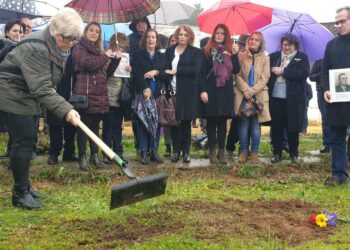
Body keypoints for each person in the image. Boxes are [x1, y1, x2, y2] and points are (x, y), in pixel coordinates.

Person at [0, 7, 83, 209]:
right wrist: (67, 109)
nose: (72, 44)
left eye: (75, 39)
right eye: (69, 38)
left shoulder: (51, 43)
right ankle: (20, 194)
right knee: (23, 142)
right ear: (56, 32)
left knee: (30, 140)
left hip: (26, 95)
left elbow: (44, 82)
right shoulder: (37, 47)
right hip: (13, 94)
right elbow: (41, 88)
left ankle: (25, 187)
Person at [72, 22, 115, 171]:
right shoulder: (78, 47)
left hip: (99, 93)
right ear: (85, 31)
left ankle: (94, 155)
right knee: (84, 127)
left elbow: (105, 72)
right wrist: (105, 56)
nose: (94, 33)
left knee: (95, 127)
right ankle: (82, 157)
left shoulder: (98, 50)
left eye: (97, 31)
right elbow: (88, 64)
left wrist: (115, 60)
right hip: (85, 93)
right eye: (91, 30)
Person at [200, 24, 240, 164]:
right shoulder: (207, 50)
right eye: (217, 33)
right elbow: (202, 73)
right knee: (211, 121)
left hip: (225, 91)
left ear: (226, 36)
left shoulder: (230, 51)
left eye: (222, 33)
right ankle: (212, 151)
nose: (219, 35)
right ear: (214, 34)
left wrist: (235, 55)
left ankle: (221, 152)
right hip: (211, 89)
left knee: (223, 122)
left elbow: (236, 71)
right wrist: (203, 90)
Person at [268, 34, 310, 164]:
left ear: (295, 46)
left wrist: (284, 71)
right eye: (284, 44)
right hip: (275, 98)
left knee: (293, 127)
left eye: (290, 45)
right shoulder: (274, 56)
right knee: (276, 127)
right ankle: (277, 153)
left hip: (293, 99)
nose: (286, 47)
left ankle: (294, 153)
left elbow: (302, 74)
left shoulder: (302, 57)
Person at [322, 6, 350, 186]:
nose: (338, 25)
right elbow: (325, 70)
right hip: (337, 99)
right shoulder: (331, 45)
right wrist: (325, 88)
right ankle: (339, 174)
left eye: (342, 21)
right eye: (337, 21)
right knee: (336, 137)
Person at [165, 25, 202, 163]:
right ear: (176, 35)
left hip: (187, 91)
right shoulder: (169, 51)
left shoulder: (195, 52)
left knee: (186, 122)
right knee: (174, 123)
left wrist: (177, 71)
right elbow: (164, 67)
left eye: (185, 35)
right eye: (180, 34)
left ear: (189, 37)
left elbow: (196, 69)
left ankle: (186, 152)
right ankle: (176, 151)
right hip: (172, 91)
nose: (182, 37)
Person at [132, 28, 167, 165]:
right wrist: (144, 89)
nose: (151, 39)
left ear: (157, 40)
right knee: (143, 123)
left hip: (157, 94)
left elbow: (166, 75)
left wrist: (156, 72)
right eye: (148, 37)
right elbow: (136, 74)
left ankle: (154, 150)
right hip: (144, 94)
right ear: (145, 39)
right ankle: (143, 151)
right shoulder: (137, 55)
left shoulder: (162, 56)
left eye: (153, 37)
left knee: (156, 123)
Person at [234, 32, 270, 164]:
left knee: (256, 125)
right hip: (243, 95)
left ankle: (254, 153)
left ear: (260, 43)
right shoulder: (240, 56)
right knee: (243, 125)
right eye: (251, 39)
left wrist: (253, 91)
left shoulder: (265, 58)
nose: (253, 41)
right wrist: (245, 90)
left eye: (257, 40)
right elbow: (236, 75)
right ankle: (243, 151)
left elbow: (265, 77)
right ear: (248, 41)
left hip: (258, 95)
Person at [102, 32, 131, 165]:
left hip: (120, 96)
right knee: (108, 125)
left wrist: (129, 70)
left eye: (123, 48)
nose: (120, 50)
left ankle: (119, 152)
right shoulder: (107, 56)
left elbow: (127, 77)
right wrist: (114, 60)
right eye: (118, 47)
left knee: (117, 126)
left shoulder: (125, 57)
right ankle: (107, 154)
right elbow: (105, 73)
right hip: (107, 94)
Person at [0, 19, 26, 159]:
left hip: (19, 91)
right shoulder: (6, 47)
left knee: (17, 125)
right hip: (5, 90)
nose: (18, 34)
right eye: (15, 31)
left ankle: (15, 152)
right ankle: (10, 150)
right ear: (7, 32)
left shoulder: (25, 47)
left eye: (21, 31)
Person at [46, 52, 77, 165]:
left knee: (71, 126)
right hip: (54, 93)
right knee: (55, 126)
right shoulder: (51, 51)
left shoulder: (75, 51)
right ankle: (54, 154)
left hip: (70, 93)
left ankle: (69, 153)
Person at [226, 34, 248, 160]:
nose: (244, 47)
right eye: (242, 44)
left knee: (248, 122)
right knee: (237, 122)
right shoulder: (235, 56)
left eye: (245, 45)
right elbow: (235, 74)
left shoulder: (251, 57)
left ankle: (244, 147)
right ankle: (230, 147)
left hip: (249, 93)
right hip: (238, 92)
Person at [309, 59, 330, 153]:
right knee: (325, 119)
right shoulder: (318, 62)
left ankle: (338, 143)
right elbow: (311, 77)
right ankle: (327, 144)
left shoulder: (336, 60)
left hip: (336, 92)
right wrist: (322, 74)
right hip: (322, 93)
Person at [163, 34, 177, 157]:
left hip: (179, 91)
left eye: (176, 41)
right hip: (167, 90)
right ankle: (168, 146)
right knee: (168, 120)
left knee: (177, 120)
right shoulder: (165, 56)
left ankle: (177, 146)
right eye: (172, 40)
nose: (174, 42)